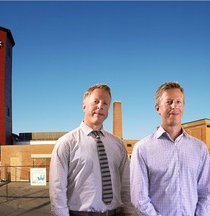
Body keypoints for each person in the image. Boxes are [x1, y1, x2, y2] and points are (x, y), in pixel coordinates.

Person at [49, 84, 134, 216]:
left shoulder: (118, 145)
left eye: (105, 103)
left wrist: (129, 212)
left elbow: (126, 184)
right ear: (84, 105)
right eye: (96, 101)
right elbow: (57, 190)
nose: (100, 106)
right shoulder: (66, 144)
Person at [130, 82, 210, 216]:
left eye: (179, 102)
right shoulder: (142, 149)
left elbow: (206, 192)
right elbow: (139, 198)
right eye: (169, 102)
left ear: (183, 106)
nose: (174, 106)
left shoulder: (200, 148)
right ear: (158, 108)